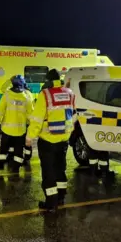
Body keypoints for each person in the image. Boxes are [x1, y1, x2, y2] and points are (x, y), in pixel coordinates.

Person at [26, 69, 75, 212]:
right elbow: (73, 115)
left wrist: (29, 137)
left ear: (47, 80)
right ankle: (60, 198)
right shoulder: (70, 93)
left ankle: (51, 203)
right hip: (64, 139)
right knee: (61, 169)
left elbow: (37, 119)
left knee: (49, 172)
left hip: (48, 140)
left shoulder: (45, 95)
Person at [0, 75, 34, 174]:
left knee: (3, 149)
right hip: (20, 131)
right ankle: (16, 168)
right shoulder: (26, 97)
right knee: (18, 151)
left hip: (7, 130)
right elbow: (30, 114)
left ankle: (0, 165)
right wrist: (30, 125)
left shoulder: (7, 95)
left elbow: (0, 110)